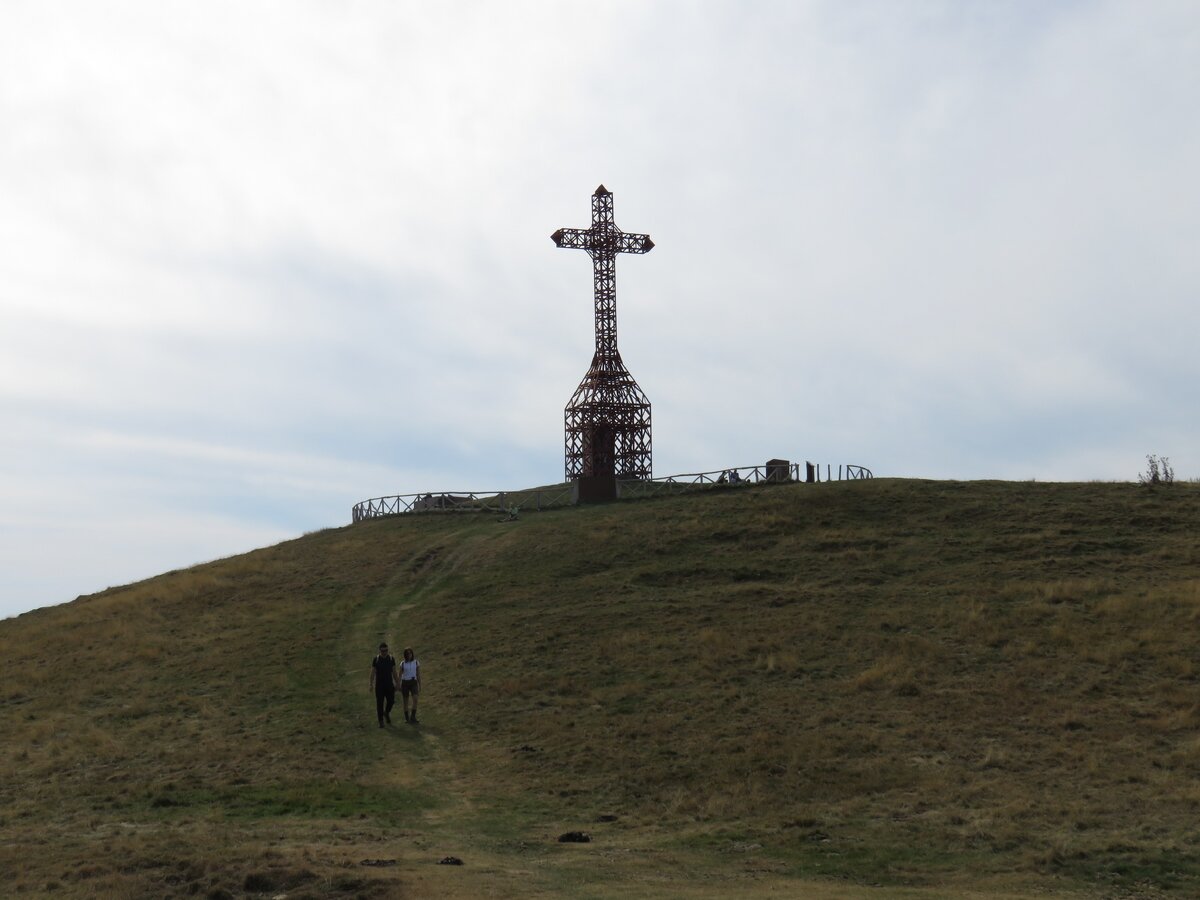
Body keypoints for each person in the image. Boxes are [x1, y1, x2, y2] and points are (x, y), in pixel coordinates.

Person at [370, 642, 399, 727]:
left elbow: (394, 672)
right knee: (380, 703)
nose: (384, 652)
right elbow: (372, 673)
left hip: (389, 684)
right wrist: (371, 684)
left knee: (391, 701)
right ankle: (381, 721)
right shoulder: (376, 659)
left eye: (386, 650)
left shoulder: (391, 659)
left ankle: (386, 712)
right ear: (380, 651)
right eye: (383, 651)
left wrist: (397, 683)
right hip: (379, 686)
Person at [400, 647, 422, 724]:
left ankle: (413, 717)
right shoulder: (402, 663)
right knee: (405, 701)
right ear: (405, 655)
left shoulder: (416, 662)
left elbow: (418, 674)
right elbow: (400, 675)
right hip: (405, 683)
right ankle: (407, 718)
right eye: (407, 654)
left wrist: (420, 684)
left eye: (410, 653)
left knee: (415, 699)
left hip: (413, 682)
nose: (409, 655)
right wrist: (398, 685)